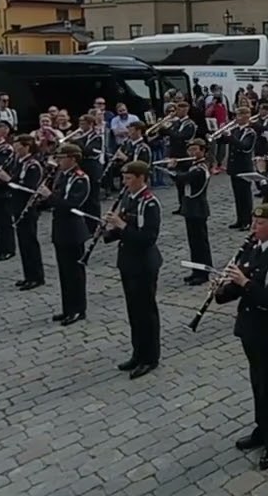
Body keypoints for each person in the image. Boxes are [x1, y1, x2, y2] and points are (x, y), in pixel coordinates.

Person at [215, 203, 268, 471]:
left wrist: (244, 283)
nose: (254, 227)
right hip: (250, 327)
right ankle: (261, 428)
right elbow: (237, 290)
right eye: (253, 222)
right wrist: (221, 290)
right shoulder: (251, 248)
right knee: (257, 381)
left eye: (260, 224)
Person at [103, 161, 162, 379]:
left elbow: (148, 237)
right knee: (134, 312)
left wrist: (121, 226)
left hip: (144, 264)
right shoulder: (129, 198)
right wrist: (108, 232)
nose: (125, 182)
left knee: (146, 313)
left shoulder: (149, 203)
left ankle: (150, 357)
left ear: (141, 178)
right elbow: (125, 226)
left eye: (128, 178)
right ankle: (138, 352)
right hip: (128, 261)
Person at [37, 144, 91, 326]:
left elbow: (71, 204)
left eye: (62, 158)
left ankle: (78, 309)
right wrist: (42, 200)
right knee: (64, 272)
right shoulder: (62, 175)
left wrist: (50, 196)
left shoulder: (80, 179)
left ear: (73, 159)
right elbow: (56, 199)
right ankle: (68, 307)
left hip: (73, 229)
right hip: (59, 227)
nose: (58, 161)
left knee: (75, 273)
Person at [0, 135, 44, 290]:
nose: (14, 148)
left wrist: (7, 180)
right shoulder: (18, 162)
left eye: (17, 145)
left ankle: (36, 276)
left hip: (27, 207)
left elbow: (28, 187)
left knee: (30, 243)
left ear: (26, 146)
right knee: (23, 242)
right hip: (17, 205)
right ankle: (28, 275)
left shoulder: (32, 165)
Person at [178, 139, 213, 286]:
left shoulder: (200, 168)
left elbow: (183, 178)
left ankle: (204, 273)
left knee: (200, 243)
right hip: (191, 208)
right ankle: (195, 269)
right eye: (190, 150)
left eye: (195, 150)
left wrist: (173, 168)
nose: (192, 153)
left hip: (198, 208)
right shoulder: (194, 165)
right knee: (193, 242)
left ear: (203, 151)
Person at [225, 107, 259, 230]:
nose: (236, 118)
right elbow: (225, 142)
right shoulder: (235, 130)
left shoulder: (250, 132)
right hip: (234, 166)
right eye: (236, 115)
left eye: (239, 115)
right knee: (237, 195)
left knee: (245, 195)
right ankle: (240, 219)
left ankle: (247, 221)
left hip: (244, 167)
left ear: (246, 116)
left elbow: (245, 147)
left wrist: (230, 137)